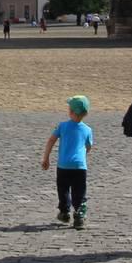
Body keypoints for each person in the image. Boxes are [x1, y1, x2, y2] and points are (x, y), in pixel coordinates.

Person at [41, 96, 94, 229]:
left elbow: (51, 140)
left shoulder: (62, 126)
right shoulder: (88, 130)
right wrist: (83, 155)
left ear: (70, 111)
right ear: (86, 113)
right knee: (79, 191)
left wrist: (46, 158)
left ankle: (64, 212)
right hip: (80, 166)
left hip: (64, 165)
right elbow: (88, 147)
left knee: (63, 189)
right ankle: (79, 215)